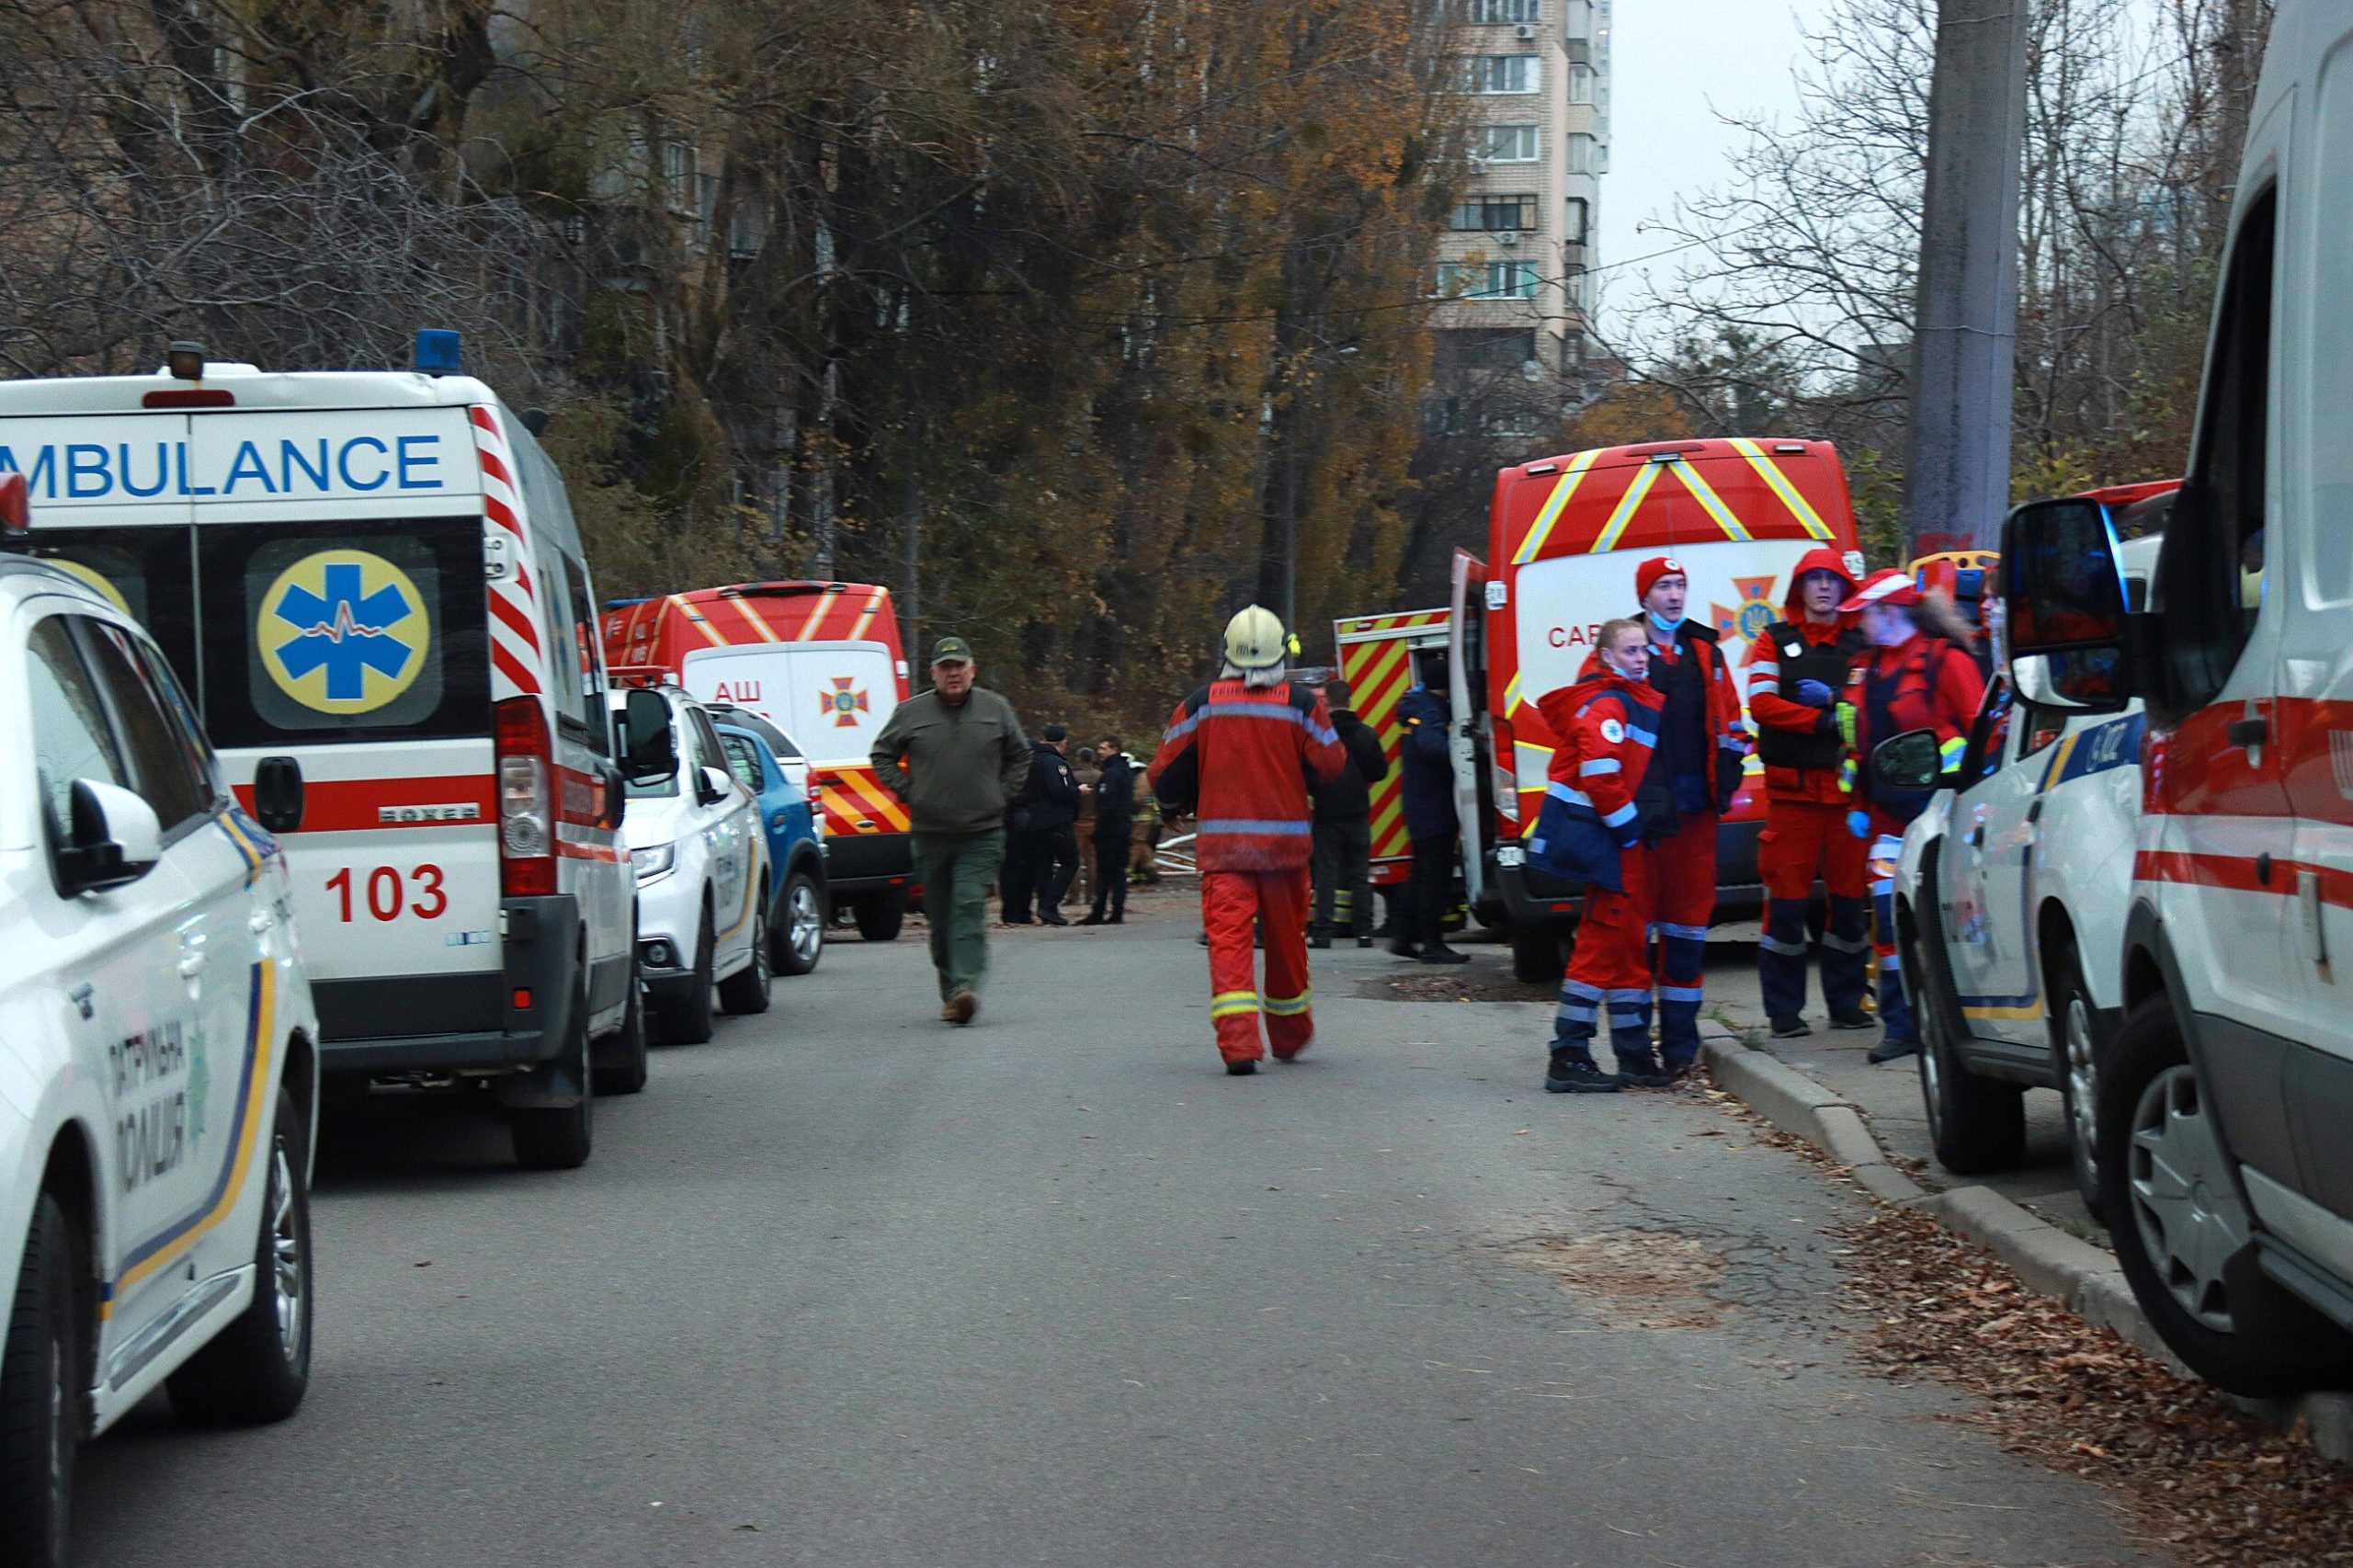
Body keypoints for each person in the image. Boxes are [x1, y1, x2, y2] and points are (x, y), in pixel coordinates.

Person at [1148, 606, 1344, 1074]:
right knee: (1285, 943)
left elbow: (1165, 771)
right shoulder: (1302, 704)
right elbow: (1332, 766)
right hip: (1285, 852)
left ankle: (1239, 1047)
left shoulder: (1200, 704)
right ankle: (1291, 1037)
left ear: (1228, 652)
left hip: (1224, 851)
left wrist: (1173, 805)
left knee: (1230, 944)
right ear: (1280, 651)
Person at [1597, 556, 1748, 1081]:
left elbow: (1731, 721)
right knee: (1631, 938)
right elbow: (1591, 722)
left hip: (1693, 817)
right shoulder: (1621, 650)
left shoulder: (1706, 651)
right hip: (1637, 824)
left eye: (1681, 585)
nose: (1675, 595)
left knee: (1687, 934)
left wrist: (1729, 768)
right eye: (1664, 586)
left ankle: (1682, 1048)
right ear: (1645, 597)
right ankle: (1634, 1052)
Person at [1838, 569, 1986, 1063]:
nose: (1858, 623)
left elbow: (1982, 738)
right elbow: (1859, 747)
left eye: (1864, 613)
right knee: (1887, 920)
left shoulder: (1946, 662)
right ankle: (1901, 1027)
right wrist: (1858, 804)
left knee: (1944, 920)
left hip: (1943, 815)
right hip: (1885, 819)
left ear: (1889, 613)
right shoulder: (1865, 668)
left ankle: (1951, 1019)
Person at [1742, 549, 1875, 1040]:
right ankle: (1784, 1013)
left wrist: (1835, 704)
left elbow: (1868, 707)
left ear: (1844, 588)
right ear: (1800, 588)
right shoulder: (1771, 642)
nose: (1823, 587)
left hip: (1846, 801)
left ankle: (1846, 1005)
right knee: (1786, 909)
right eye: (1813, 579)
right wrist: (1824, 721)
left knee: (1847, 906)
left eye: (1831, 579)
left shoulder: (1861, 646)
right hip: (1792, 799)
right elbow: (1761, 704)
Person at [1529, 619, 1666, 1093]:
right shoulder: (1609, 702)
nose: (1641, 657)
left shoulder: (1625, 697)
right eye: (1630, 650)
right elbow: (1602, 774)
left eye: (1644, 649)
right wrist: (1630, 831)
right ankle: (1568, 1055)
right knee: (1601, 945)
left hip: (1617, 842)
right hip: (1612, 841)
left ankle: (1633, 1054)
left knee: (1628, 947)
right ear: (1607, 657)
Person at [870, 637, 1031, 1025]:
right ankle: (951, 992)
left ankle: (965, 988)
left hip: (983, 832)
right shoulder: (912, 712)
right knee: (940, 918)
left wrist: (1000, 795)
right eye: (946, 667)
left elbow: (1021, 754)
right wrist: (912, 793)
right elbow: (881, 754)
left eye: (959, 665)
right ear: (934, 674)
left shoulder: (995, 708)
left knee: (967, 907)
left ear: (972, 669)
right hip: (932, 834)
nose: (953, 673)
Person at [1392, 653, 1468, 964]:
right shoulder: (1432, 709)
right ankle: (1433, 944)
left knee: (1421, 873)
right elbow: (1431, 745)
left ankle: (1403, 936)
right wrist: (1463, 750)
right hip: (1433, 808)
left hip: (1420, 805)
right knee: (1434, 877)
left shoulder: (1417, 704)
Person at [1310, 679, 1390, 949]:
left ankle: (1322, 933)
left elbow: (1308, 772)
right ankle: (1364, 932)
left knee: (1326, 875)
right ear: (1350, 699)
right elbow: (1380, 771)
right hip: (1357, 812)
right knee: (1359, 874)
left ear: (1327, 702)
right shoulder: (1366, 734)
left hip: (1326, 814)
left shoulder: (1318, 736)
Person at [1003, 723, 1082, 926]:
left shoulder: (1028, 760)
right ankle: (1048, 904)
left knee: (1042, 865)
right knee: (1070, 862)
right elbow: (1058, 789)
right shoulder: (1053, 762)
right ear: (1063, 743)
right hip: (1054, 820)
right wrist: (1077, 791)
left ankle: (1041, 909)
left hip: (1031, 821)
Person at [1082, 736, 1138, 925]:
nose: (1099, 751)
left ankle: (1099, 911)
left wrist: (1100, 830)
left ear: (1114, 749)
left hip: (1111, 829)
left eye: (1103, 748)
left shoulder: (1112, 773)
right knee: (1118, 872)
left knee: (1105, 872)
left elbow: (1108, 804)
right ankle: (1117, 910)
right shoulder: (1124, 771)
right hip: (1122, 827)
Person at [1071, 745, 1102, 911]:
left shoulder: (1073, 777)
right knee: (1092, 860)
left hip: (1076, 823)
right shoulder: (1100, 776)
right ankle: (1092, 895)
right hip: (1095, 822)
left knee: (1074, 860)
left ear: (1079, 759)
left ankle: (1074, 896)